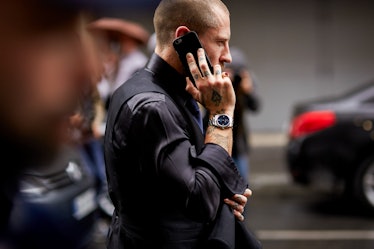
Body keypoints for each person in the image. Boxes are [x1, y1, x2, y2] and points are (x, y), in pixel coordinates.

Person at [104, 0, 254, 248]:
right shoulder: (153, 107)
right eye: (220, 42)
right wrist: (221, 114)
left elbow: (183, 181)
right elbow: (200, 201)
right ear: (184, 38)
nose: (227, 55)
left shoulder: (163, 91)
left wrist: (222, 194)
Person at [203, 47, 261, 180]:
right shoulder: (216, 80)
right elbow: (207, 108)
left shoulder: (247, 81)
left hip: (239, 143)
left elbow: (255, 107)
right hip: (215, 138)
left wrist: (248, 92)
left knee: (241, 184)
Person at [88, 18, 150, 110]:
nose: (117, 43)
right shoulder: (118, 59)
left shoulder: (138, 62)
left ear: (129, 40)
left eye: (120, 39)